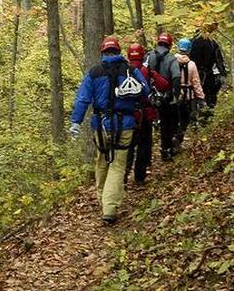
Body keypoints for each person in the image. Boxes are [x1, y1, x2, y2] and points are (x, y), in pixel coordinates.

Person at [69, 36, 150, 225]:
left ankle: (103, 200)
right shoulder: (130, 71)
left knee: (103, 160)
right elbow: (145, 92)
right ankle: (110, 207)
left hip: (101, 126)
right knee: (118, 165)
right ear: (119, 51)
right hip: (125, 125)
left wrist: (76, 122)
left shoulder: (94, 73)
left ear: (103, 53)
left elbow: (83, 99)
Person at [125, 42, 170, 186]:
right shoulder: (147, 71)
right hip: (145, 115)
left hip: (127, 116)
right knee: (144, 145)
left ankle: (123, 176)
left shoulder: (122, 72)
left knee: (128, 147)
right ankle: (140, 177)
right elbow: (164, 85)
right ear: (142, 54)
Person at [147, 33, 180, 160]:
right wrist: (176, 94)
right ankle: (167, 150)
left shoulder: (149, 56)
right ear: (170, 45)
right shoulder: (171, 59)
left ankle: (147, 158)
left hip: (151, 96)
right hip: (167, 97)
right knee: (169, 124)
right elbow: (176, 77)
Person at [189, 20, 228, 118]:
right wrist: (222, 75)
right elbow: (219, 60)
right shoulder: (210, 42)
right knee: (208, 99)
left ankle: (200, 119)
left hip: (200, 75)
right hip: (206, 76)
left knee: (199, 99)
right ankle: (205, 118)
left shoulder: (194, 41)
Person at [173, 38, 205, 151]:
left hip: (175, 96)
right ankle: (183, 140)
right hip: (189, 96)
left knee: (175, 118)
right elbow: (196, 83)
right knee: (187, 119)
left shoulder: (172, 61)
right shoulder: (192, 64)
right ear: (189, 49)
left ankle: (173, 141)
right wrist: (201, 97)